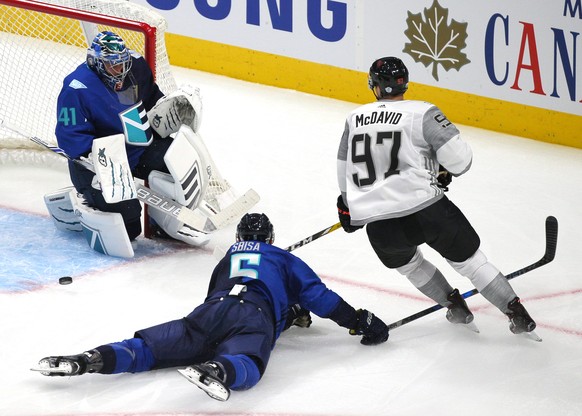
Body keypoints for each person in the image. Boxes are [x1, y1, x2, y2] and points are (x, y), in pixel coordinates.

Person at [33, 213, 389, 401]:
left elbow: (217, 295)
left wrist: (290, 314)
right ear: (272, 239)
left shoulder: (228, 258)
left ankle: (87, 360)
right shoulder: (281, 257)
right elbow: (319, 297)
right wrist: (357, 320)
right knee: (248, 363)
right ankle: (217, 370)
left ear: (238, 240)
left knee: (145, 350)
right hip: (252, 315)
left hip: (208, 312)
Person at [335, 56, 537, 337]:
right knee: (470, 262)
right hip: (426, 211)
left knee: (411, 266)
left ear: (375, 87)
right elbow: (460, 162)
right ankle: (516, 313)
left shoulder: (354, 119)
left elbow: (344, 169)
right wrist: (439, 168)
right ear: (405, 83)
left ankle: (455, 306)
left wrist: (348, 205)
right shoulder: (422, 112)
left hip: (380, 223)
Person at [54, 30, 209, 249]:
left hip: (136, 149)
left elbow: (152, 98)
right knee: (129, 228)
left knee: (177, 164)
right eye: (113, 66)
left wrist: (168, 108)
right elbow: (70, 139)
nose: (120, 70)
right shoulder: (76, 88)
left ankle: (161, 223)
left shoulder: (134, 66)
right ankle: (82, 201)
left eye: (123, 63)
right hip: (96, 163)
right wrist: (104, 162)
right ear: (96, 63)